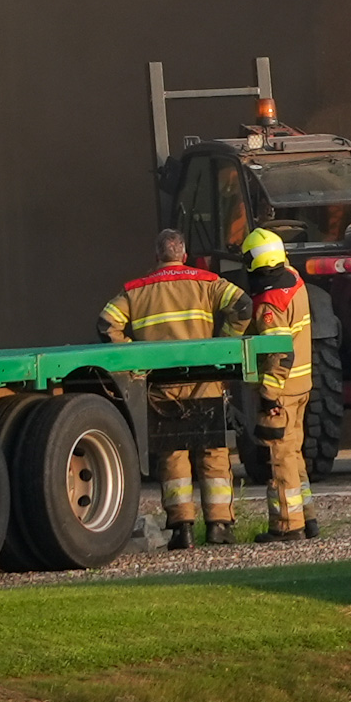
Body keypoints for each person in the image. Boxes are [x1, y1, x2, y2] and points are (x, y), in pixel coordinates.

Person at [98, 228, 251, 549]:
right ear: (184, 254)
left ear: (157, 256)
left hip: (161, 390)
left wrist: (134, 360)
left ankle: (182, 530)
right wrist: (222, 345)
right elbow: (243, 306)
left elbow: (105, 324)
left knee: (173, 456)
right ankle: (219, 527)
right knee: (213, 453)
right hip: (205, 385)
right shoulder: (208, 283)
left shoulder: (136, 291)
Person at [241, 227, 316, 543]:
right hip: (301, 385)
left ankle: (287, 525)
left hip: (281, 393)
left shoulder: (269, 302)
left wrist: (268, 395)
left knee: (279, 459)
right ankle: (308, 518)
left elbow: (279, 353)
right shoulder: (294, 281)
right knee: (294, 455)